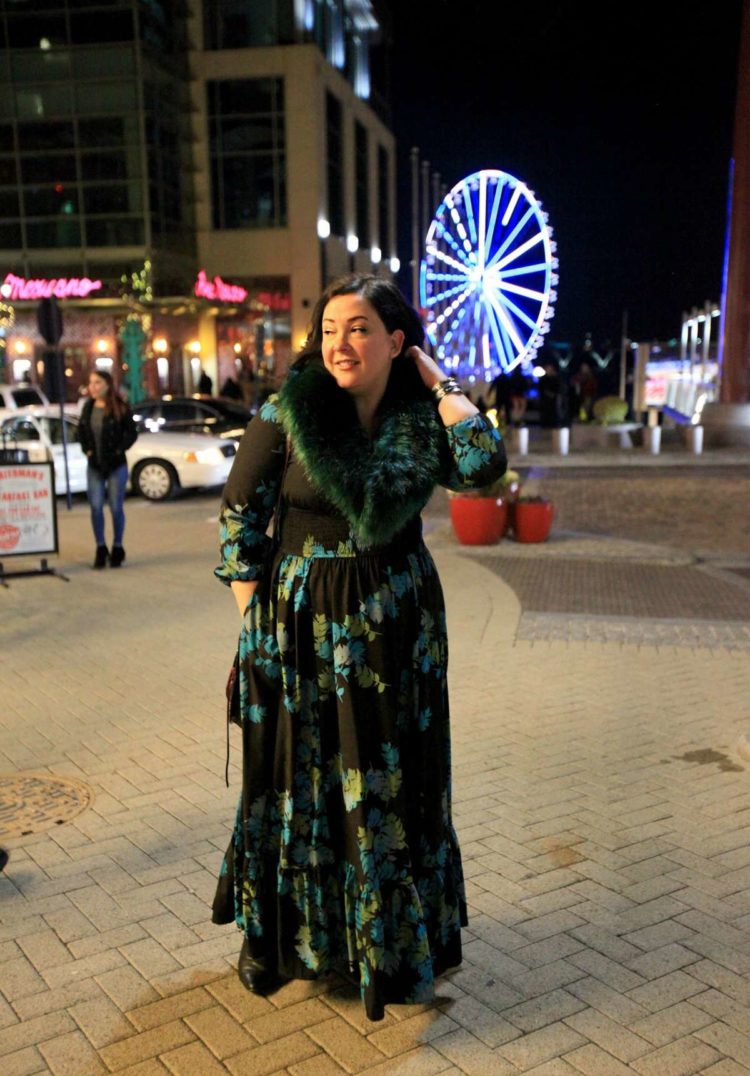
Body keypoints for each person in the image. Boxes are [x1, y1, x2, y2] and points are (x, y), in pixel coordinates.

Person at [211, 274, 507, 1021]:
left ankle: (393, 948)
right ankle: (279, 943)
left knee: (394, 782)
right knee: (296, 781)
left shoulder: (419, 418)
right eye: (330, 329)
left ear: (396, 342)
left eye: (360, 328)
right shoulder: (289, 412)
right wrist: (262, 633)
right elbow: (239, 527)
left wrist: (441, 385)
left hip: (401, 628)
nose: (340, 343)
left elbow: (482, 468)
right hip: (303, 630)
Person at [77, 370, 138, 568]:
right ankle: (101, 548)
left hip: (116, 465)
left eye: (97, 382)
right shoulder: (88, 407)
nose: (92, 387)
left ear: (107, 385)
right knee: (95, 507)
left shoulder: (120, 407)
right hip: (95, 465)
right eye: (90, 383)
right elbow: (80, 431)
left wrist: (120, 448)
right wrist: (87, 450)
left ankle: (118, 547)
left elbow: (131, 433)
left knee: (115, 507)